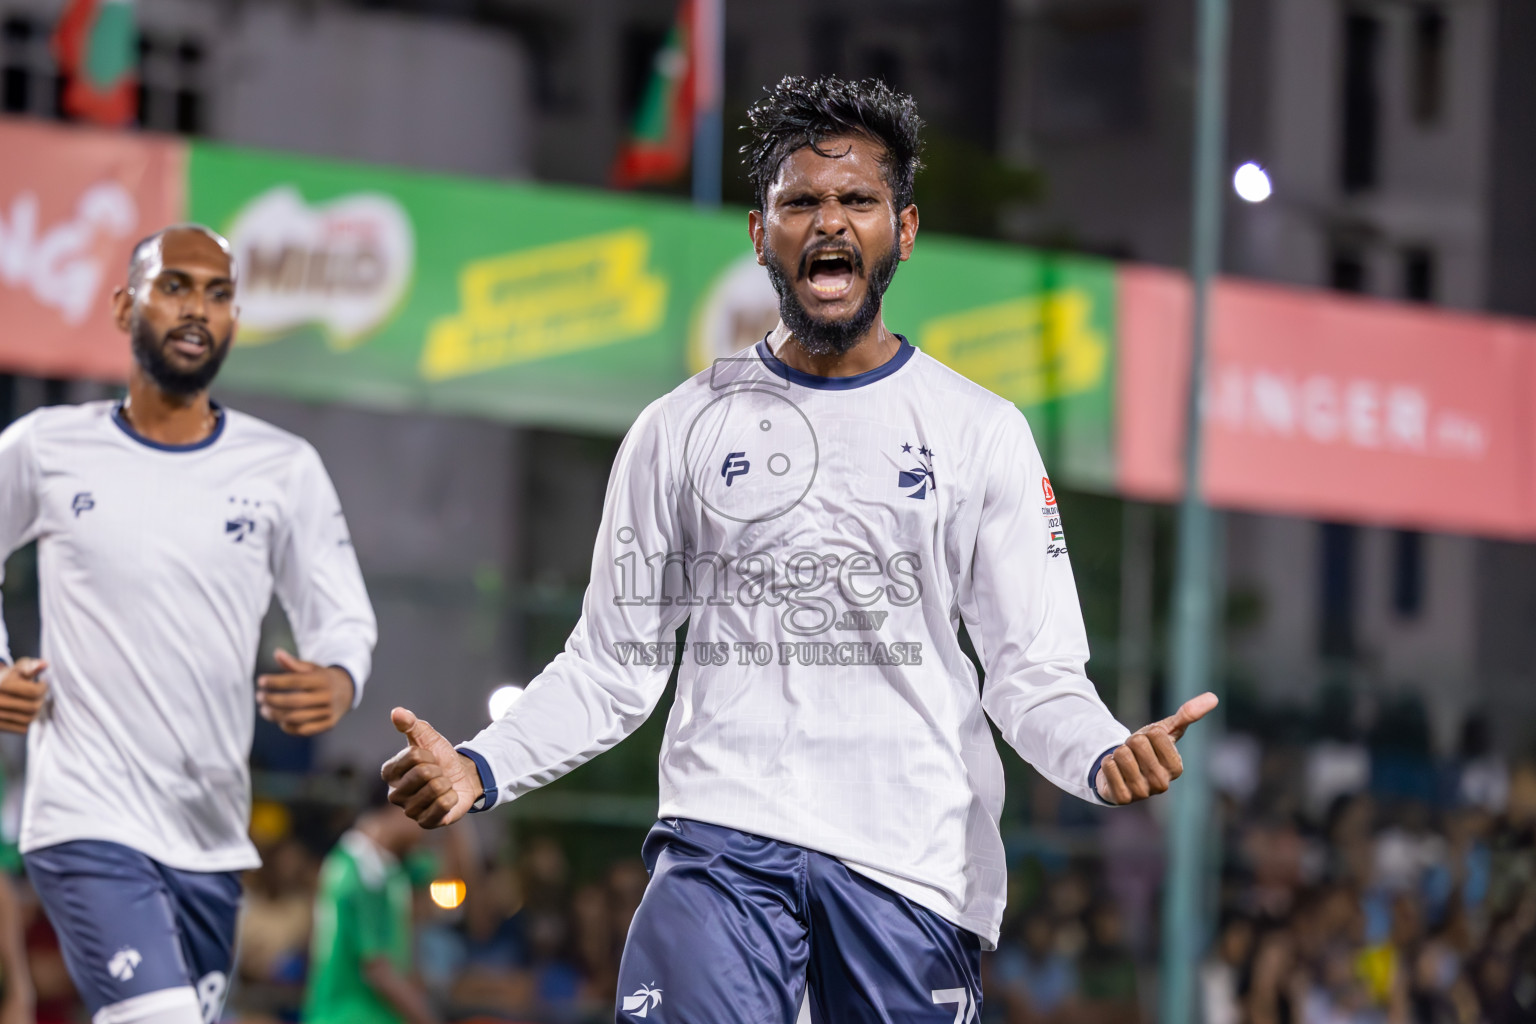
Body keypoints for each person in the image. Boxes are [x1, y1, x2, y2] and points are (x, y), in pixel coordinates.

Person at [383, 76, 1214, 1023]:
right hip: (721, 847)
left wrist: (1101, 752)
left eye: (857, 201)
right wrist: (485, 766)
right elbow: (612, 665)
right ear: (758, 232)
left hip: (911, 865)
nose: (830, 223)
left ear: (902, 230)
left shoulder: (980, 431)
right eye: (801, 202)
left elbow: (1032, 672)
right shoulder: (676, 430)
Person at [0, 224, 376, 1024]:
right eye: (174, 286)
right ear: (122, 307)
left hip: (209, 835)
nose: (196, 309)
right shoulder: (46, 446)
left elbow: (342, 614)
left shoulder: (284, 467)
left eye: (218, 293)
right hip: (85, 815)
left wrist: (340, 677)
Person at [303, 789, 439, 1024]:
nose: (431, 823)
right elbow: (377, 969)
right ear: (399, 808)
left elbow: (451, 877)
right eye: (424, 811)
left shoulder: (389, 866)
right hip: (347, 1016)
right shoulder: (360, 872)